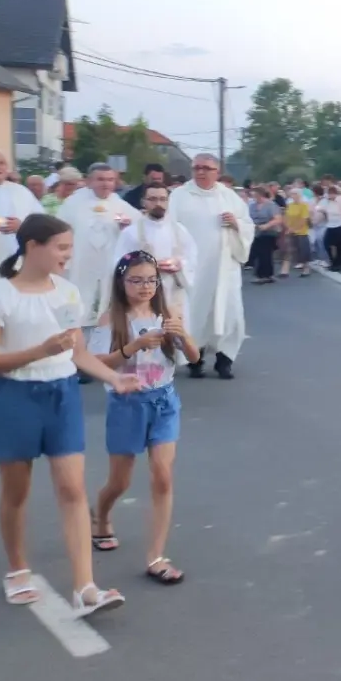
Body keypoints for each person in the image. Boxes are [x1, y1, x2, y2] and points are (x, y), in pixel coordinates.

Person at [0, 214, 137, 617]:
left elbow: (77, 352)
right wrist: (40, 351)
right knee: (16, 492)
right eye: (61, 248)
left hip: (62, 395)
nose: (67, 257)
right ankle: (18, 569)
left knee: (73, 490)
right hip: (13, 397)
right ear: (32, 247)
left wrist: (113, 378)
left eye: (69, 248)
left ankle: (85, 588)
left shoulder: (68, 293)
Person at [89, 251, 200, 586]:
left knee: (163, 476)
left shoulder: (168, 313)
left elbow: (193, 358)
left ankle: (156, 556)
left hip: (164, 400)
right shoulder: (112, 319)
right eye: (136, 280)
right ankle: (102, 515)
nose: (145, 286)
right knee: (120, 481)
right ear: (122, 282)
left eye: (151, 279)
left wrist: (183, 335)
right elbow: (97, 365)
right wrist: (134, 345)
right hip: (127, 403)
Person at [168, 154, 255, 381]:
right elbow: (168, 228)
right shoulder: (179, 196)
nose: (201, 172)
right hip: (193, 270)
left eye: (206, 168)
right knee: (194, 315)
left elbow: (248, 225)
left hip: (225, 268)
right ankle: (194, 360)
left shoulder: (229, 197)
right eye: (196, 167)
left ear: (217, 171)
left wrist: (236, 224)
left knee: (230, 315)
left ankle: (224, 361)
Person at [60, 162, 137, 333]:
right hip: (80, 263)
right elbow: (58, 231)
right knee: (78, 306)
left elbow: (140, 232)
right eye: (100, 179)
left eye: (110, 180)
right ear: (89, 181)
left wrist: (128, 229)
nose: (106, 184)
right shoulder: (72, 203)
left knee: (106, 305)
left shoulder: (121, 205)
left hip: (108, 263)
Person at [115, 183, 200, 319]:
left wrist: (180, 265)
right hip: (142, 295)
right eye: (153, 199)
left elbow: (193, 260)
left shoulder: (180, 231)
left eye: (162, 199)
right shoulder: (131, 233)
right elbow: (119, 263)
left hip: (173, 293)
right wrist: (147, 267)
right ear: (143, 202)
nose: (158, 203)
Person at [0, 148, 45, 280]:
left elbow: (42, 223)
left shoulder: (21, 192)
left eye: (1, 163)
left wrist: (22, 227)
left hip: (19, 266)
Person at [247, 185, 283, 284]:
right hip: (256, 231)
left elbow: (278, 219)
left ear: (260, 195)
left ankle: (264, 275)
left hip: (269, 231)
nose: (253, 197)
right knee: (257, 252)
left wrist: (267, 225)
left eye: (255, 195)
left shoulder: (271, 205)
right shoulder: (252, 206)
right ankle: (265, 274)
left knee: (265, 252)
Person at [280, 186, 312, 278]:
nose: (292, 196)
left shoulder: (304, 205)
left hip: (301, 232)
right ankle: (284, 270)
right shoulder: (290, 205)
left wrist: (295, 228)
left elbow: (304, 219)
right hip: (290, 230)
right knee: (287, 251)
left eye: (294, 194)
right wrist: (288, 227)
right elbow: (286, 217)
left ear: (299, 195)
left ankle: (306, 268)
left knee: (303, 251)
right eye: (292, 194)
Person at [316, 186, 341, 272]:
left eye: (332, 193)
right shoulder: (327, 201)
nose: (330, 195)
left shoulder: (340, 200)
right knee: (326, 243)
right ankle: (332, 260)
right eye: (329, 193)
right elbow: (319, 208)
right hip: (330, 225)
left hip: (340, 224)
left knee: (339, 246)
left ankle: (338, 264)